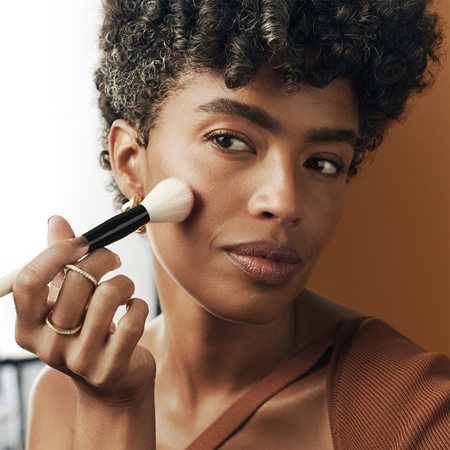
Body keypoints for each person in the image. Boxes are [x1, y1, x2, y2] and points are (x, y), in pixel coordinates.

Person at [13, 0, 449, 448]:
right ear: (129, 162)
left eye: (323, 163)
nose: (285, 202)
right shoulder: (65, 396)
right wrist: (111, 405)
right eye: (230, 140)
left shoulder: (415, 413)